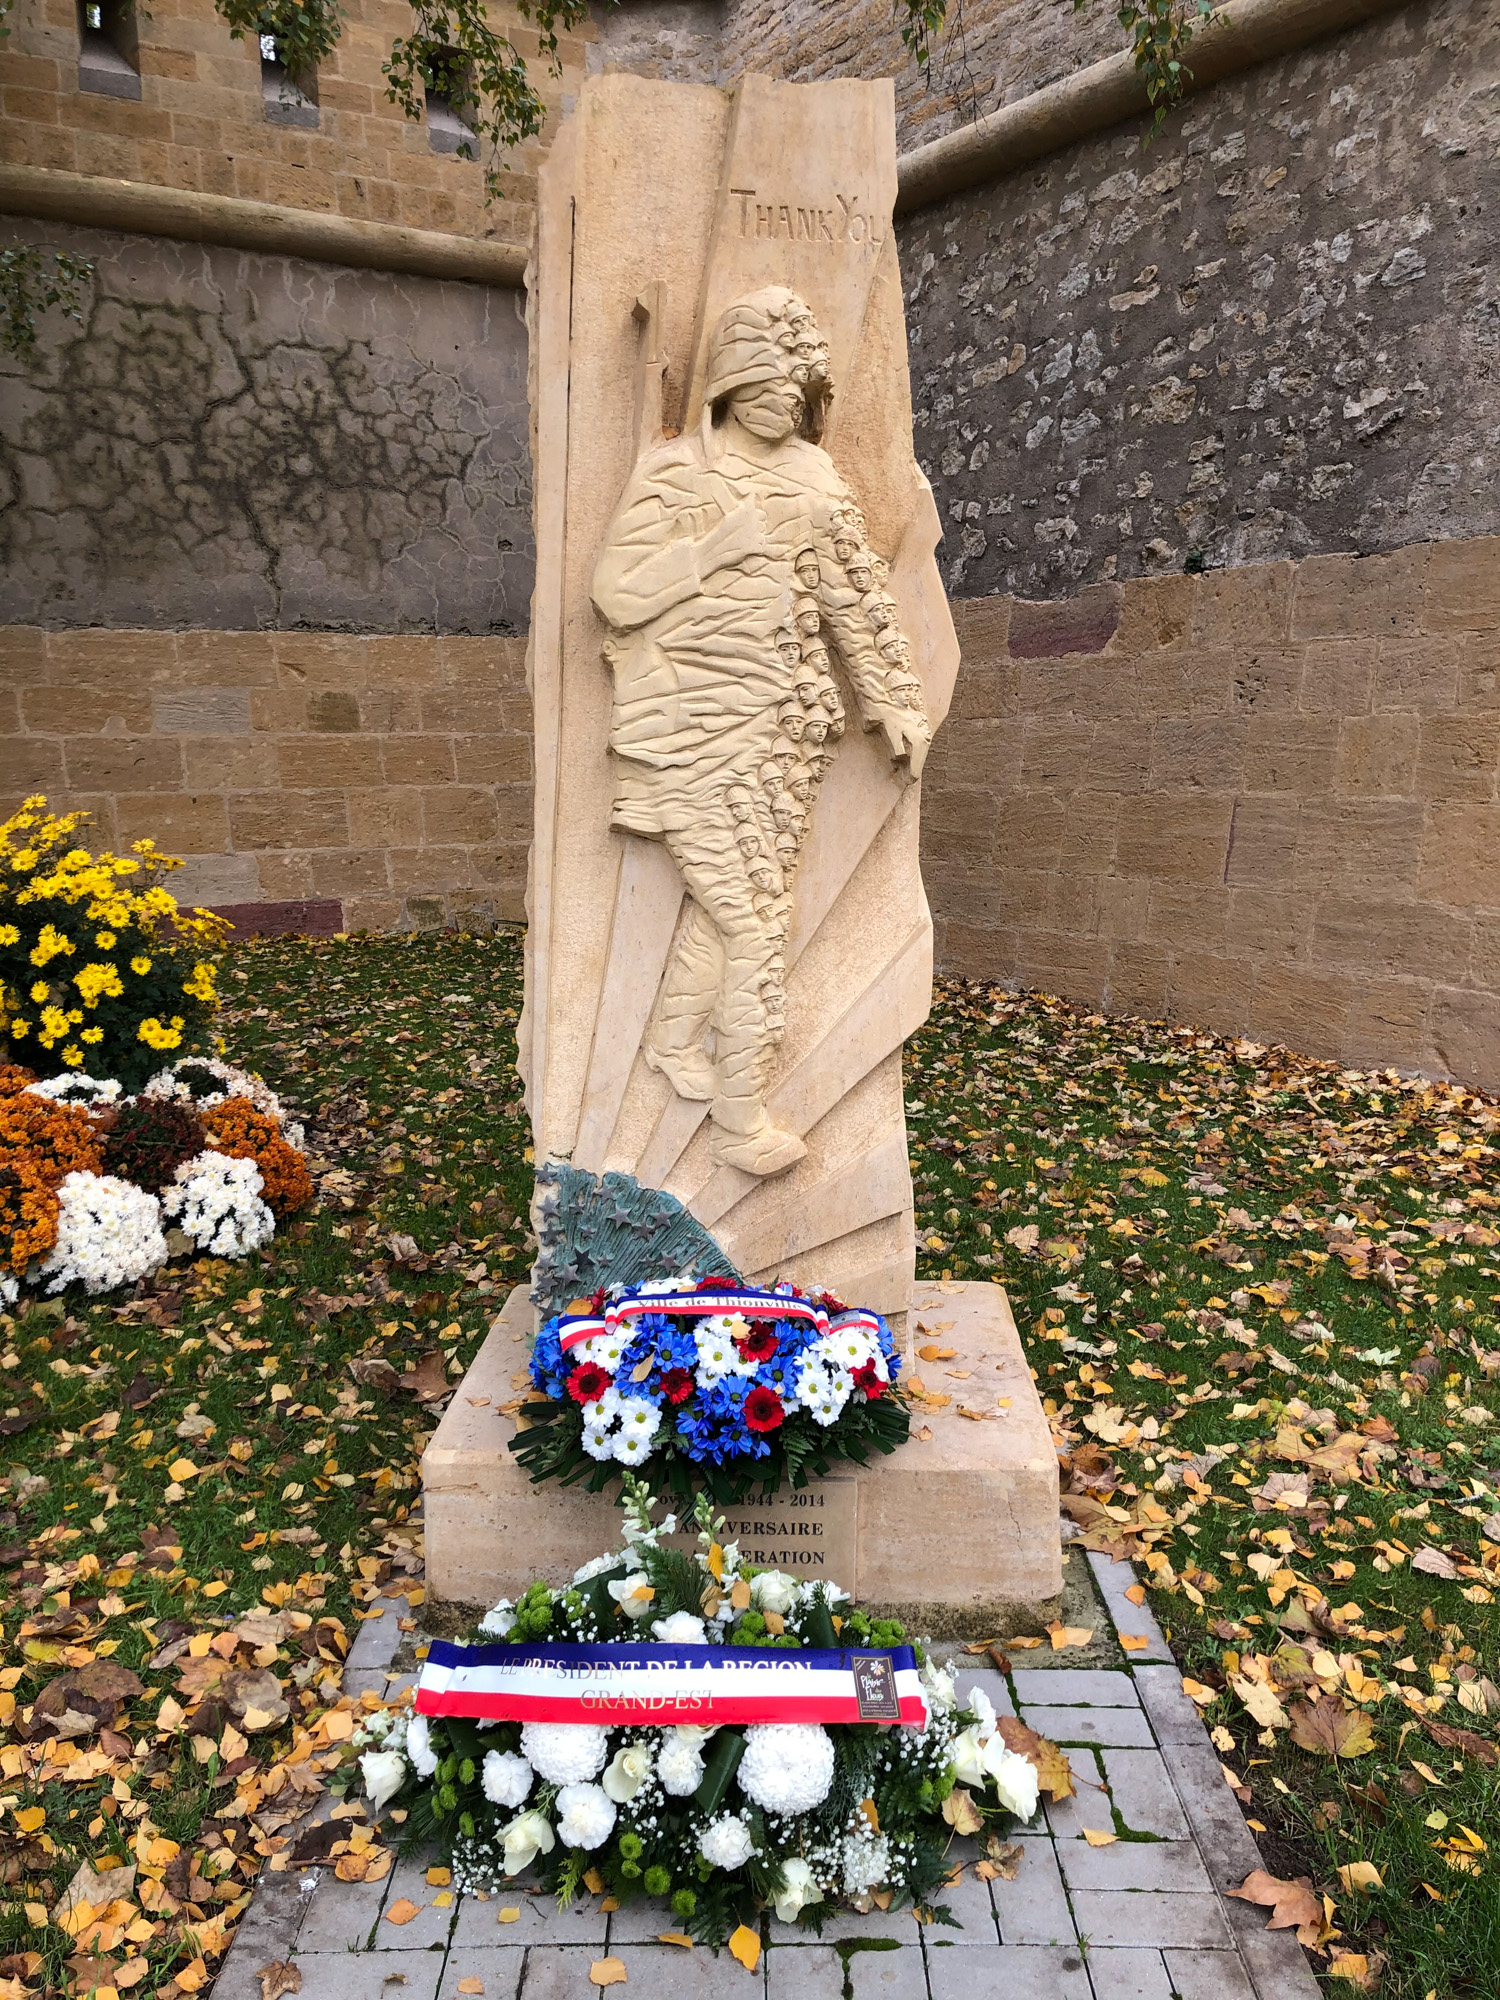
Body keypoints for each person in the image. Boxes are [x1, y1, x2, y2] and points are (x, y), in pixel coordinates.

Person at [591, 285, 930, 1178]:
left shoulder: (817, 480)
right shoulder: (677, 473)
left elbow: (850, 592)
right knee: (752, 926)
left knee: (737, 907)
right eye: (776, 379)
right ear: (734, 380)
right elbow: (616, 596)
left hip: (785, 736)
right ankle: (740, 1123)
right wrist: (715, 547)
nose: (791, 398)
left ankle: (670, 1043)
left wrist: (891, 696)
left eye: (804, 385)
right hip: (690, 731)